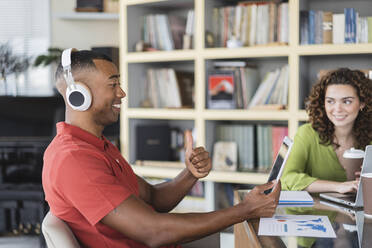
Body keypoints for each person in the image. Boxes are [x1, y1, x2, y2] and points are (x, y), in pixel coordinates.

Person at [42, 48, 281, 248]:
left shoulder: (96, 146)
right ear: (78, 95)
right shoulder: (74, 160)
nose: (122, 93)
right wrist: (246, 209)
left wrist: (190, 174)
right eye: (113, 84)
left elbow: (155, 198)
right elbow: (153, 231)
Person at [282, 68, 372, 193]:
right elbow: (287, 178)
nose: (337, 109)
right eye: (330, 101)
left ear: (362, 103)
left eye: (346, 101)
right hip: (314, 211)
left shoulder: (369, 138)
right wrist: (338, 186)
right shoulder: (307, 134)